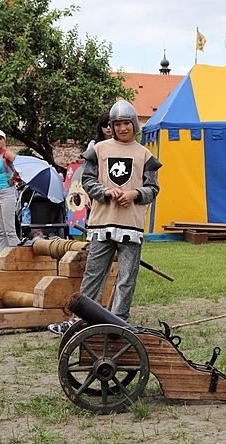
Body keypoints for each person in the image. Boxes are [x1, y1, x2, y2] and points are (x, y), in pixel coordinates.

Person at [48, 100, 160, 335]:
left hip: (131, 225)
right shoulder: (99, 150)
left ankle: (119, 323)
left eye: (126, 123)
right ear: (111, 125)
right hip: (102, 221)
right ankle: (80, 321)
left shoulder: (145, 155)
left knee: (127, 276)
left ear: (134, 125)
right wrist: (105, 191)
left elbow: (153, 189)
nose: (122, 128)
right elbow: (88, 181)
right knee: (93, 273)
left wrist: (135, 193)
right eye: (117, 123)